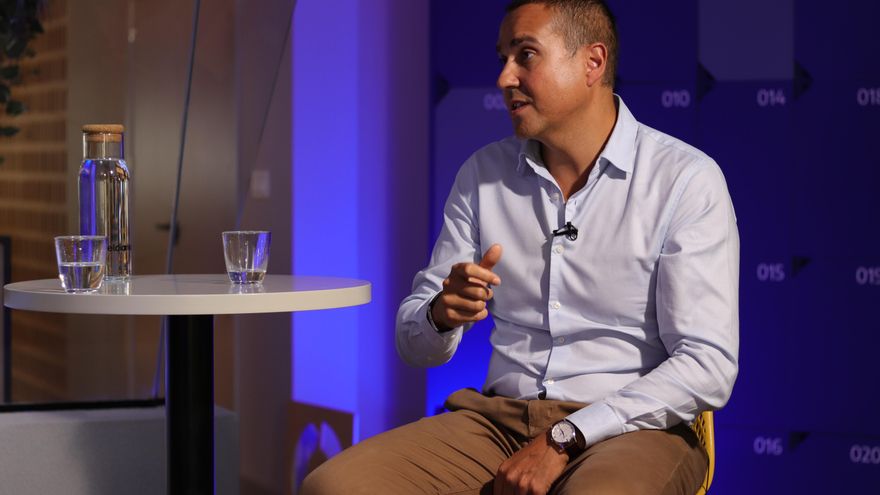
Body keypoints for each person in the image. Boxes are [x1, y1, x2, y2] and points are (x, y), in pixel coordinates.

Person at [303, 0, 739, 493]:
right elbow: (413, 344)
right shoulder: (481, 175)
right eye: (502, 58)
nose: (504, 78)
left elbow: (708, 367)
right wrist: (442, 314)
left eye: (525, 55)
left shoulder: (685, 180)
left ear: (592, 63)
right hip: (495, 423)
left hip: (632, 427)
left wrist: (567, 435)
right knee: (333, 486)